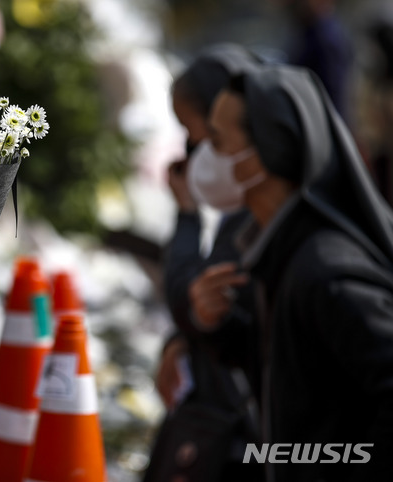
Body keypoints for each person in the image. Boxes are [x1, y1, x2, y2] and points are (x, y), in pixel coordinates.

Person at [205, 63, 393, 481]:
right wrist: (217, 326)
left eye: (217, 142)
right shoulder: (280, 251)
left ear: (268, 152)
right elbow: (299, 378)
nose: (203, 158)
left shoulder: (327, 272)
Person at [143, 44, 264, 482]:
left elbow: (196, 302)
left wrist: (188, 215)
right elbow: (208, 314)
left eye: (209, 138)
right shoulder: (246, 215)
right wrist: (186, 334)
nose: (193, 149)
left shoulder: (266, 218)